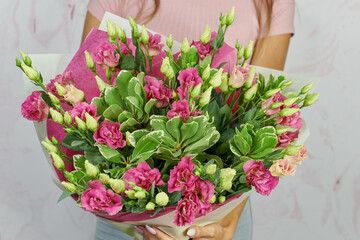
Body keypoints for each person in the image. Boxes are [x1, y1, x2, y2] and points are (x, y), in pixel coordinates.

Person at [82, 1, 295, 239]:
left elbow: (263, 115)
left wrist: (222, 225)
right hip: (126, 222)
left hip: (220, 221)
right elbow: (87, 96)